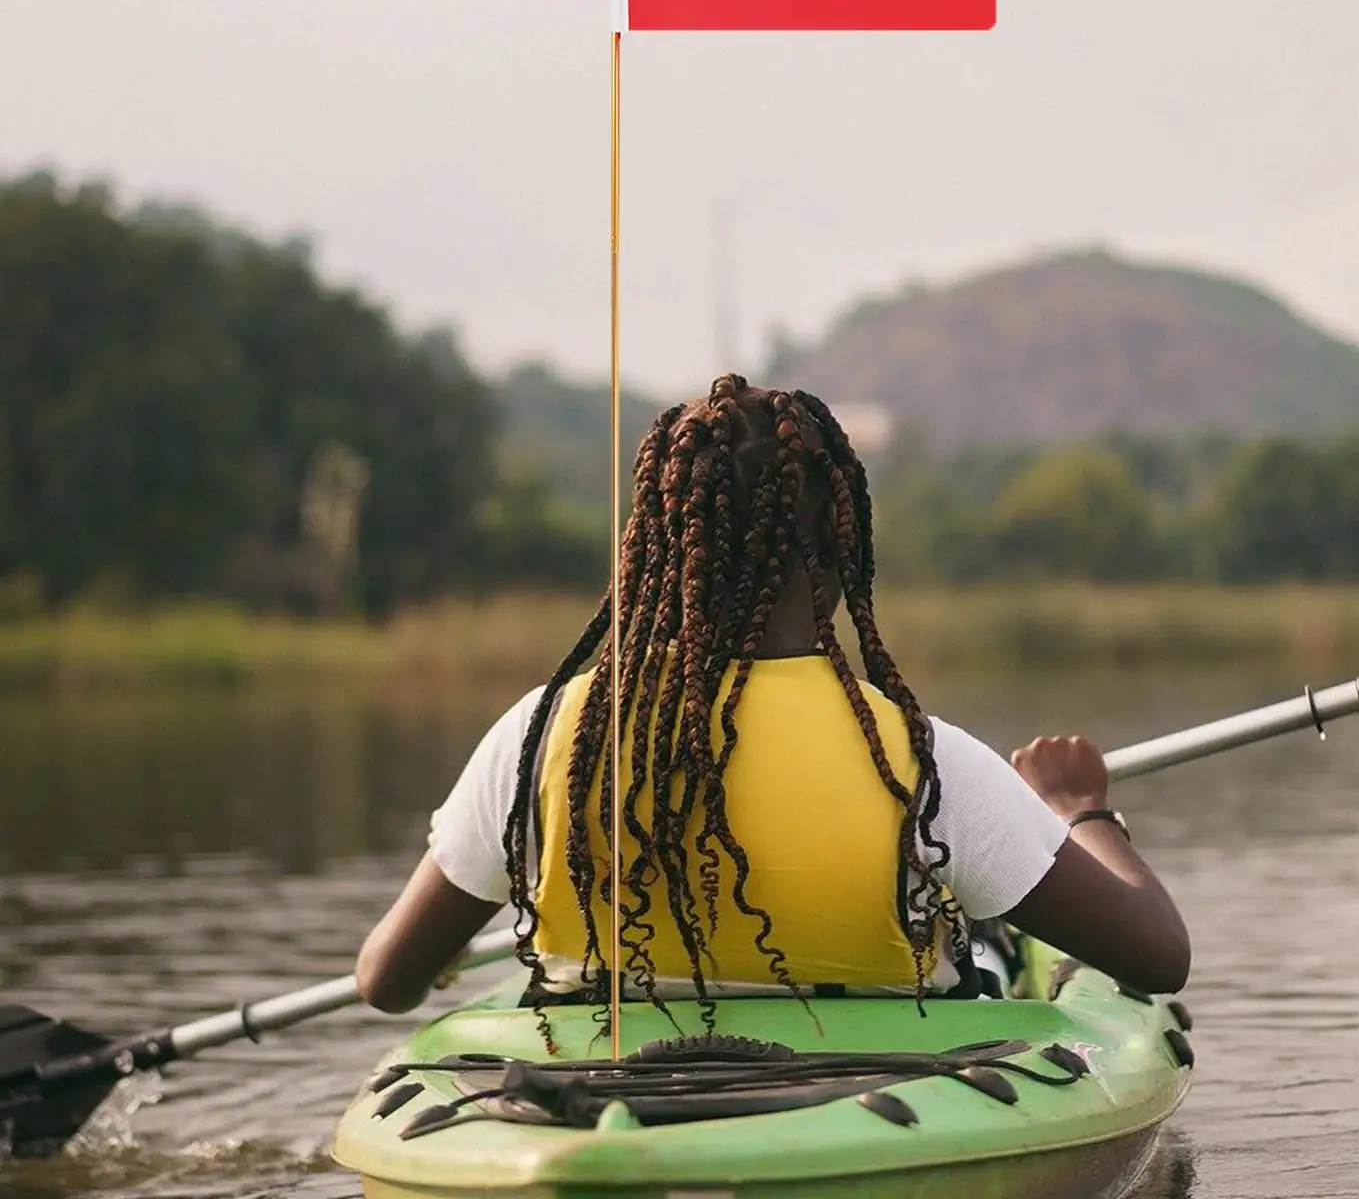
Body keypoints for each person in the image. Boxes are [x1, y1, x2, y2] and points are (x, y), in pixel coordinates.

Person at [357, 376, 1189, 1016]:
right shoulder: (920, 764)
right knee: (987, 937)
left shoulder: (542, 738)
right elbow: (1158, 958)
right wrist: (1078, 808)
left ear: (658, 550)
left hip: (588, 1084)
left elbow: (386, 981)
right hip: (879, 1103)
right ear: (841, 552)